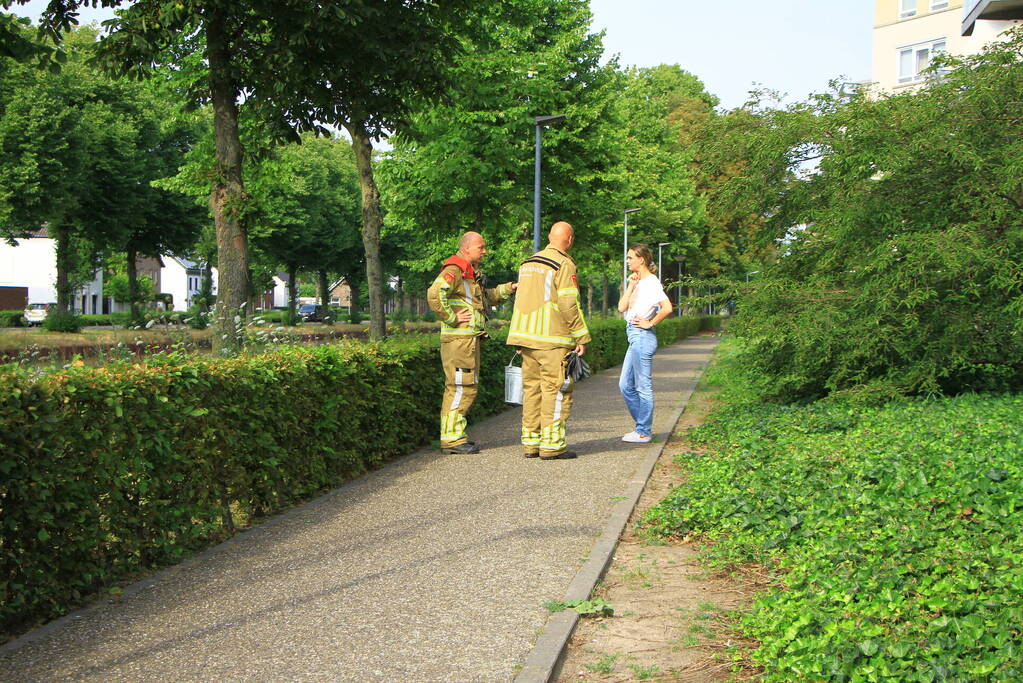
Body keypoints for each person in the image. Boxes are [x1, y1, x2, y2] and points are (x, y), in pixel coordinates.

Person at [506, 221, 591, 460]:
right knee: (556, 391)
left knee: (532, 390)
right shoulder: (564, 264)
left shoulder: (528, 263)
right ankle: (552, 446)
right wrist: (580, 335)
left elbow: (522, 299)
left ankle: (531, 443)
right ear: (570, 240)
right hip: (553, 340)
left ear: (549, 237)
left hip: (526, 339)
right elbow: (568, 303)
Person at [427, 232, 516, 454]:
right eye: (481, 247)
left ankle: (455, 436)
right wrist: (452, 317)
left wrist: (508, 289)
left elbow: (483, 298)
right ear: (466, 248)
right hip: (459, 341)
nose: (484, 251)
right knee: (460, 386)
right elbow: (434, 294)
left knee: (466, 386)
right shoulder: (454, 271)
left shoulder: (468, 273)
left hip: (467, 341)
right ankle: (452, 439)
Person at [617, 244, 673, 444]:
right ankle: (641, 427)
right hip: (634, 336)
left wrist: (650, 322)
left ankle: (643, 431)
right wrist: (631, 285)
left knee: (643, 387)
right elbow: (621, 307)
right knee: (625, 385)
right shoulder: (639, 282)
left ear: (641, 259)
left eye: (630, 257)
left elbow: (667, 308)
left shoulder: (651, 282)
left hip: (642, 335)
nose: (627, 261)